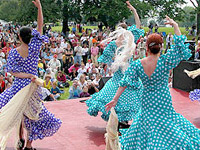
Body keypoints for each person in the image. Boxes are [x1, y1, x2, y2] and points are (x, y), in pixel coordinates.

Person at [105, 16, 200, 149]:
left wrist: (115, 100)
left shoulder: (138, 65)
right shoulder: (165, 62)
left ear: (147, 48)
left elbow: (124, 82)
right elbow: (180, 47)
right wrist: (175, 25)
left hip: (147, 100)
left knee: (146, 124)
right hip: (163, 99)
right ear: (161, 47)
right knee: (167, 123)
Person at [0, 1, 62, 150]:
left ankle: (21, 138)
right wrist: (39, 7)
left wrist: (26, 75)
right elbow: (40, 26)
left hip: (18, 87)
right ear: (31, 37)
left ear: (20, 37)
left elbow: (12, 72)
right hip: (32, 86)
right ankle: (28, 144)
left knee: (17, 113)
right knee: (33, 116)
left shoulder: (14, 52)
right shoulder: (34, 48)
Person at [86, 1, 144, 122]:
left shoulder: (130, 40)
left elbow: (138, 25)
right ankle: (116, 119)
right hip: (118, 73)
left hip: (130, 72)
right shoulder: (113, 44)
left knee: (131, 94)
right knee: (115, 93)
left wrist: (134, 11)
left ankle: (124, 119)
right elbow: (106, 61)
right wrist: (117, 60)